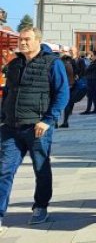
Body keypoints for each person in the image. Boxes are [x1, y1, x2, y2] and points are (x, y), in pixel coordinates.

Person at [0, 27, 69, 227]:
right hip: (11, 127)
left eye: (26, 39)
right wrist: (3, 116)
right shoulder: (14, 64)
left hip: (37, 128)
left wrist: (47, 120)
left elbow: (62, 94)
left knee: (41, 168)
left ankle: (41, 206)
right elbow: (8, 92)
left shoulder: (52, 63)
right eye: (20, 39)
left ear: (38, 40)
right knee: (4, 169)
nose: (22, 43)